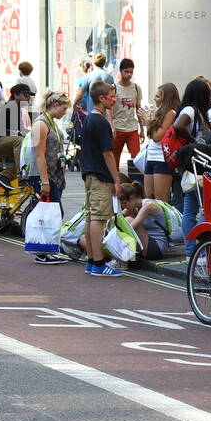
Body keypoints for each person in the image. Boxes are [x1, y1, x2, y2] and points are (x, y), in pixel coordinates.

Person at [79, 80, 123, 276]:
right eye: (111, 96)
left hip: (89, 173)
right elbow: (108, 154)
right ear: (101, 98)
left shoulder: (90, 118)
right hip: (100, 176)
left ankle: (91, 260)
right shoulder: (100, 122)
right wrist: (116, 179)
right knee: (98, 218)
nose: (114, 99)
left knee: (91, 217)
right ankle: (98, 263)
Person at [26, 90, 72, 265]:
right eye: (64, 108)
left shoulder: (51, 122)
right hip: (44, 176)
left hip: (55, 176)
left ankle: (48, 250)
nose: (65, 112)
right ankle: (43, 252)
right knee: (53, 212)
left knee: (54, 213)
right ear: (55, 106)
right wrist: (45, 181)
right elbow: (39, 155)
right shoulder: (40, 124)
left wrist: (61, 180)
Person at [175, 79, 211, 253]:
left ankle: (192, 250)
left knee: (190, 209)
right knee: (203, 208)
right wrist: (193, 141)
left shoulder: (196, 111)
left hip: (192, 164)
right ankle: (198, 249)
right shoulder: (190, 110)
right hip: (194, 164)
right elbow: (178, 126)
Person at [119, 182, 181, 260]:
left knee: (128, 220)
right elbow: (117, 220)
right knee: (121, 222)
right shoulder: (134, 206)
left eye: (124, 204)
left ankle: (122, 260)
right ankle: (121, 258)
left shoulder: (148, 206)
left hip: (157, 248)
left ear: (132, 197)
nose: (124, 207)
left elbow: (130, 228)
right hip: (147, 243)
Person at [144, 82, 180, 202]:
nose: (154, 99)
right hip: (151, 156)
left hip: (162, 158)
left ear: (166, 99)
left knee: (160, 200)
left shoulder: (171, 113)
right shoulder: (158, 112)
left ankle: (163, 221)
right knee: (148, 198)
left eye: (158, 96)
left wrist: (148, 120)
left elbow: (157, 136)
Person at [110, 58, 144, 170]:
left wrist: (142, 130)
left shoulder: (136, 88)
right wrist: (111, 126)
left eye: (131, 72)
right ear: (120, 71)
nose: (129, 74)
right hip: (117, 128)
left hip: (132, 128)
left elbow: (138, 108)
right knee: (114, 160)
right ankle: (116, 184)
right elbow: (108, 108)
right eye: (126, 71)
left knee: (137, 158)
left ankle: (136, 184)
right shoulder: (113, 88)